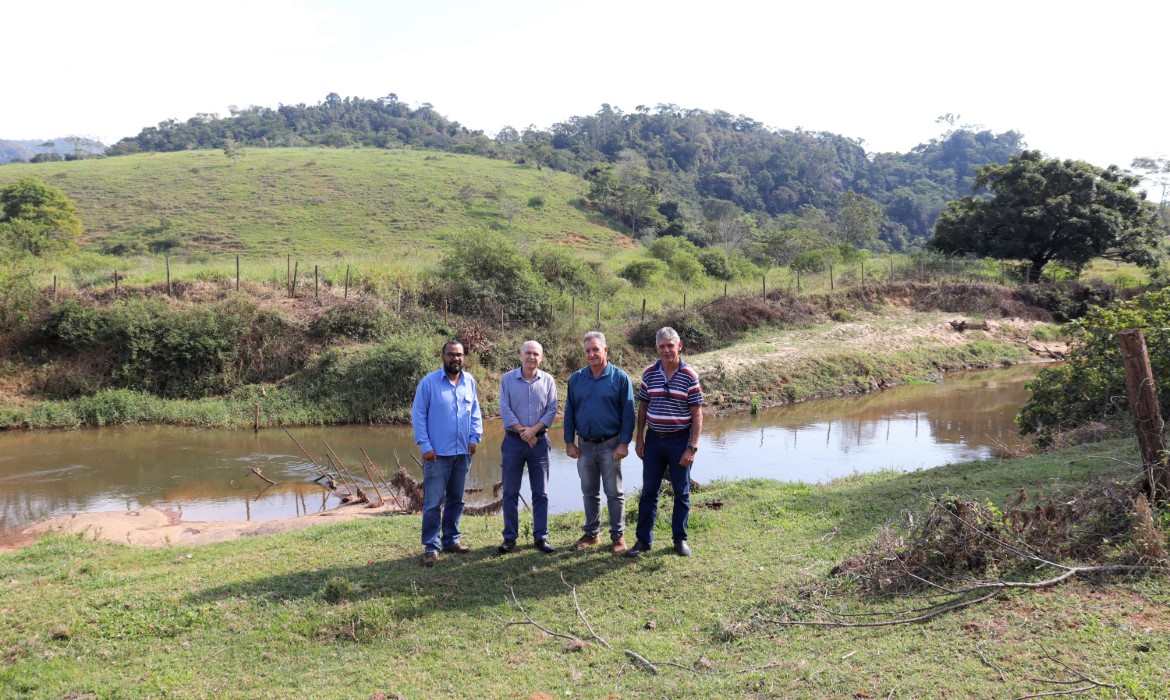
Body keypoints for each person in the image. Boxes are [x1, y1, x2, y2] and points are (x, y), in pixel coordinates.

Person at [628, 327, 704, 557]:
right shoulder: (649, 373)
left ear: (679, 346)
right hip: (654, 440)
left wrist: (692, 447)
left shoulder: (689, 375)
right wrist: (639, 438)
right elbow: (642, 407)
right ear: (656, 348)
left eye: (670, 345)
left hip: (680, 441)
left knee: (681, 492)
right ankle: (643, 541)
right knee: (649, 491)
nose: (666, 350)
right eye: (662, 346)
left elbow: (697, 414)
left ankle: (679, 540)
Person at [411, 340, 483, 568]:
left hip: (462, 453)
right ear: (443, 356)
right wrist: (425, 446)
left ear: (464, 357)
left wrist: (474, 439)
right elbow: (418, 415)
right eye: (451, 354)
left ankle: (451, 539)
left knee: (456, 500)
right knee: (433, 503)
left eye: (460, 355)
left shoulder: (469, 381)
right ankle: (431, 547)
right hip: (436, 455)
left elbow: (475, 413)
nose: (456, 359)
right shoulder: (429, 383)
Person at [563, 331, 635, 554]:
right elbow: (569, 412)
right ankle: (592, 533)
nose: (592, 354)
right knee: (589, 492)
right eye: (587, 350)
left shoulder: (620, 378)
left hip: (610, 445)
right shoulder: (576, 378)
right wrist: (568, 441)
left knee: (614, 492)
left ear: (606, 350)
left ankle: (618, 536)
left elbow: (628, 414)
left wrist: (624, 444)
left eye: (596, 349)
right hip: (584, 445)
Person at [497, 340, 558, 554]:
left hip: (539, 444)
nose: (531, 357)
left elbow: (552, 410)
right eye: (528, 353)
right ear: (520, 355)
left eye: (536, 354)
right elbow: (504, 410)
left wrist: (534, 432)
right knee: (510, 492)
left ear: (541, 357)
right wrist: (525, 432)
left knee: (540, 492)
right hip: (513, 442)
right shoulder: (507, 380)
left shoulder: (548, 380)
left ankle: (541, 537)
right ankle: (509, 538)